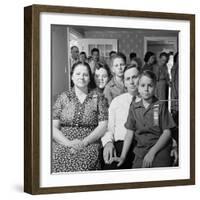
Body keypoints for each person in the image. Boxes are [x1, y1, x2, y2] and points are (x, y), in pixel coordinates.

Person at [52, 61, 108, 172]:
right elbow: (53, 127)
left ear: (90, 78)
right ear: (72, 76)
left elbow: (103, 125)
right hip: (64, 142)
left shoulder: (98, 98)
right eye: (78, 74)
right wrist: (68, 143)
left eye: (85, 74)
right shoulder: (63, 97)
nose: (81, 77)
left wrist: (84, 142)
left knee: (84, 166)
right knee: (56, 163)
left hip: (89, 143)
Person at [119, 70, 176, 168]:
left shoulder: (160, 106)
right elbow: (129, 133)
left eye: (150, 85)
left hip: (160, 149)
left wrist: (152, 152)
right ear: (138, 87)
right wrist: (123, 156)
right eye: (143, 85)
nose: (146, 89)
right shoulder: (134, 108)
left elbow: (167, 132)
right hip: (141, 150)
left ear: (155, 87)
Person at [102, 64, 140, 169]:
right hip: (120, 145)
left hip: (143, 145)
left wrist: (172, 143)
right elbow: (108, 127)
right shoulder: (117, 102)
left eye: (135, 77)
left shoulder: (150, 101)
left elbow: (161, 125)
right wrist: (108, 143)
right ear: (124, 83)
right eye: (128, 79)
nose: (131, 82)